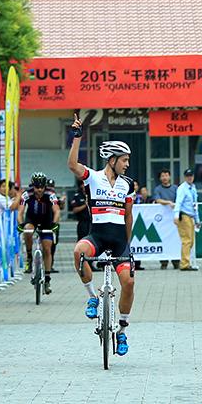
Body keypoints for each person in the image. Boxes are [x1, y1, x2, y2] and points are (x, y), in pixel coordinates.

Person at [67, 116, 135, 356]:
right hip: (97, 236)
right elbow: (73, 164)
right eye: (124, 160)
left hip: (119, 241)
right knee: (78, 253)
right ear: (113, 159)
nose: (127, 164)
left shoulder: (128, 185)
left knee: (128, 282)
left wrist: (127, 244)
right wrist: (77, 137)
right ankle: (93, 297)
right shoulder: (93, 177)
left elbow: (128, 216)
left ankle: (123, 330)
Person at [17, 172, 60, 293]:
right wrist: (20, 224)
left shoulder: (51, 194)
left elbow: (56, 211)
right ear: (33, 186)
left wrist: (55, 224)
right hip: (32, 219)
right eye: (37, 187)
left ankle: (47, 279)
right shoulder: (26, 194)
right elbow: (20, 212)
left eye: (41, 187)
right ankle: (30, 257)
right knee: (28, 230)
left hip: (47, 221)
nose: (39, 190)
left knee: (47, 249)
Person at [152, 168, 180, 270]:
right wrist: (168, 203)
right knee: (163, 238)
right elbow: (157, 199)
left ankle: (176, 260)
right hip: (163, 220)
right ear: (160, 178)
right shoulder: (158, 189)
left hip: (174, 219)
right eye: (162, 176)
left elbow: (179, 199)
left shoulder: (175, 188)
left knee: (175, 239)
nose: (165, 178)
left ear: (170, 176)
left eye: (166, 175)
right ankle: (164, 262)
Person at [174, 168, 200, 271]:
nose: (190, 178)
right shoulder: (182, 188)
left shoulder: (193, 188)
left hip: (190, 216)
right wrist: (176, 215)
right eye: (188, 176)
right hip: (184, 215)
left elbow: (195, 205)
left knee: (191, 241)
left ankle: (186, 262)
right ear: (185, 177)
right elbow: (178, 202)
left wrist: (197, 219)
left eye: (191, 176)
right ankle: (184, 264)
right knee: (187, 240)